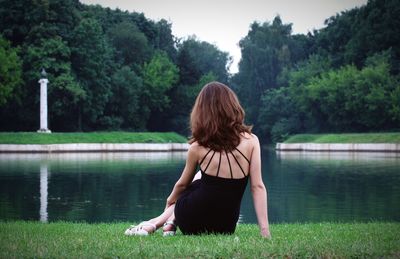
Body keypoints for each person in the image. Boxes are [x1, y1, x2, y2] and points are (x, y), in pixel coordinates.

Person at [125, 81, 270, 238]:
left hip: (190, 221)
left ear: (202, 111)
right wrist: (265, 231)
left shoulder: (198, 146)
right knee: (202, 178)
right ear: (232, 106)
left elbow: (182, 185)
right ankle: (163, 222)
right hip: (225, 225)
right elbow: (257, 187)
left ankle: (157, 223)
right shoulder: (252, 141)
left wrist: (170, 201)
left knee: (199, 177)